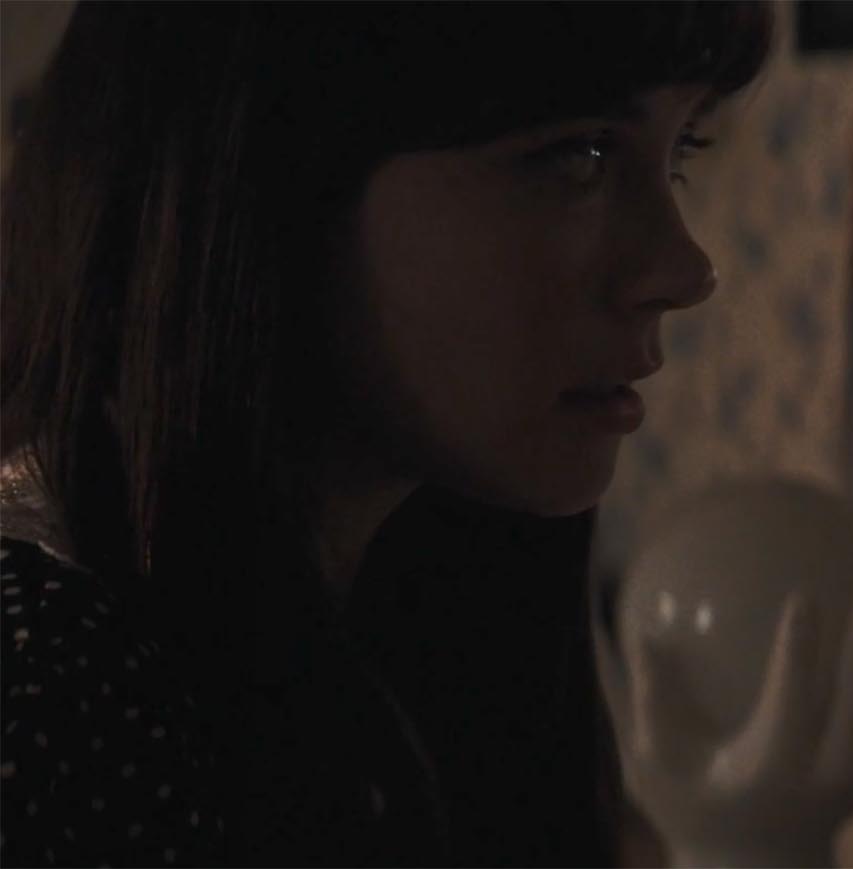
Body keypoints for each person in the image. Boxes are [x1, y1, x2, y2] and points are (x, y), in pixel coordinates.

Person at [0, 2, 773, 865]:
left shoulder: (428, 616)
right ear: (269, 164)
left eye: (681, 152)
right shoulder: (50, 695)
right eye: (580, 153)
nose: (684, 269)